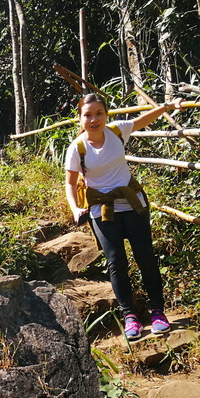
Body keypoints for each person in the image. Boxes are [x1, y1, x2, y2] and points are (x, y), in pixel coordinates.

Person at [64, 93, 182, 340]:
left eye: (99, 113)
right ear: (80, 118)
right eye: (88, 115)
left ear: (106, 115)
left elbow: (143, 120)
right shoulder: (78, 148)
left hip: (132, 205)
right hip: (102, 210)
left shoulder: (117, 132)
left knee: (145, 257)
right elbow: (70, 183)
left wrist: (167, 106)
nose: (94, 119)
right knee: (116, 263)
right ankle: (130, 317)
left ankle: (158, 312)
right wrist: (76, 209)